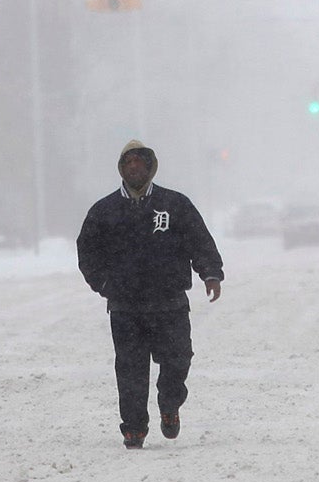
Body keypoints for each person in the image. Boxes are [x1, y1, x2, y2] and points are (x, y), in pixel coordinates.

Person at [76, 139, 224, 448]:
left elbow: (199, 241)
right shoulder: (105, 211)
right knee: (130, 369)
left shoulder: (175, 205)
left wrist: (210, 273)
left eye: (139, 162)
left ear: (150, 167)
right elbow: (87, 251)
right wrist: (103, 285)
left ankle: (169, 405)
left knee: (178, 360)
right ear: (121, 168)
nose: (134, 167)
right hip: (125, 307)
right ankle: (134, 427)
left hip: (170, 303)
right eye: (128, 162)